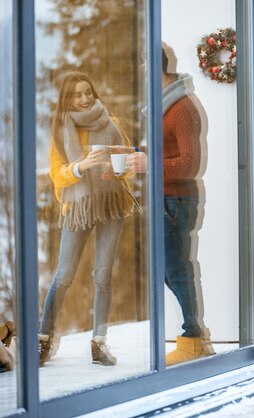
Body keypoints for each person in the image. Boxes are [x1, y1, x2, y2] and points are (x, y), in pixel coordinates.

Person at [116, 43, 214, 366]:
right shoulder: (162, 107)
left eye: (142, 66)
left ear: (151, 67)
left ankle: (195, 339)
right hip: (165, 198)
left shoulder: (182, 107)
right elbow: (164, 152)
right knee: (170, 271)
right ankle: (196, 337)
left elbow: (190, 163)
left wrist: (149, 163)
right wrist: (135, 157)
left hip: (177, 200)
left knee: (178, 270)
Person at [39, 71, 136, 367]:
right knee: (64, 274)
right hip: (77, 206)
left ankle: (99, 343)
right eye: (76, 95)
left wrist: (117, 169)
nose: (83, 99)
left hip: (110, 202)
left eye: (87, 93)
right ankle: (44, 339)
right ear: (67, 99)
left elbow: (128, 160)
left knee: (102, 275)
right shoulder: (60, 130)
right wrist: (81, 166)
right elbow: (57, 175)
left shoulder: (112, 123)